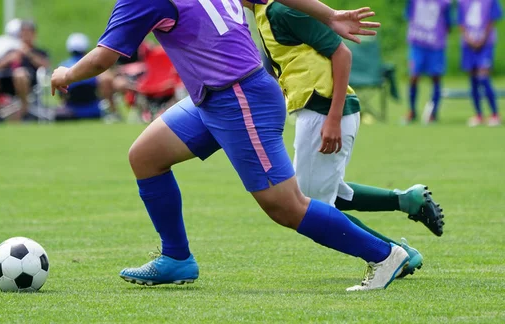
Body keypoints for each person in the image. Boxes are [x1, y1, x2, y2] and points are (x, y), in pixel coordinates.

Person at [52, 0, 408, 291]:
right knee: (146, 156)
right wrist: (328, 14)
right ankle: (177, 258)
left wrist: (65, 74)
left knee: (286, 206)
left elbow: (103, 57)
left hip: (239, 98)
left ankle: (384, 255)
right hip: (215, 97)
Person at [244, 0, 445, 278]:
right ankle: (407, 201)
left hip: (325, 111)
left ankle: (394, 253)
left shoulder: (282, 9)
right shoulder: (263, 12)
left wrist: (333, 118)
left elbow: (342, 54)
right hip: (317, 110)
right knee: (321, 196)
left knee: (310, 207)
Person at [0, 20, 49, 122]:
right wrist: (9, 59)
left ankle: (24, 111)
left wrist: (28, 53)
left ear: (34, 34)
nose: (25, 36)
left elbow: (45, 65)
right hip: (7, 80)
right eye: (23, 33)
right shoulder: (11, 50)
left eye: (28, 33)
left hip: (28, 82)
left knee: (20, 74)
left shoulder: (39, 51)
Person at [403, 0, 452, 124]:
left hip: (436, 46)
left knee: (436, 77)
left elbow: (449, 24)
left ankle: (433, 114)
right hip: (417, 44)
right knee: (414, 76)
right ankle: (412, 111)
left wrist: (437, 35)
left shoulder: (445, 2)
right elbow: (409, 16)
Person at [459, 0, 503, 127]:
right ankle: (479, 114)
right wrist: (469, 39)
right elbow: (461, 22)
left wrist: (482, 38)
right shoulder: (463, 2)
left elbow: (492, 19)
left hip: (486, 44)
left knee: (483, 77)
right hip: (468, 44)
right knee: (473, 79)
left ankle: (494, 114)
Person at [55, 33, 117, 121]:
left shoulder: (63, 66)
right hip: (95, 111)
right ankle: (113, 112)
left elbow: (61, 93)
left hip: (71, 111)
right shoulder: (92, 66)